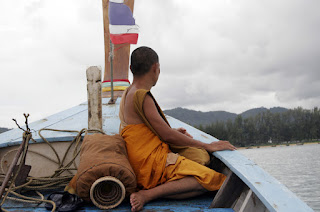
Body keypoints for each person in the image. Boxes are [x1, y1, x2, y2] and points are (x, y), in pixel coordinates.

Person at [119, 46, 236, 212]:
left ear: (131, 69)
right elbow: (167, 136)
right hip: (149, 163)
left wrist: (174, 132)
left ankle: (159, 188)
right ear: (155, 68)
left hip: (137, 159)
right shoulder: (142, 96)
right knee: (211, 179)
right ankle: (148, 194)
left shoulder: (127, 93)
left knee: (199, 162)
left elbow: (148, 130)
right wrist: (207, 145)